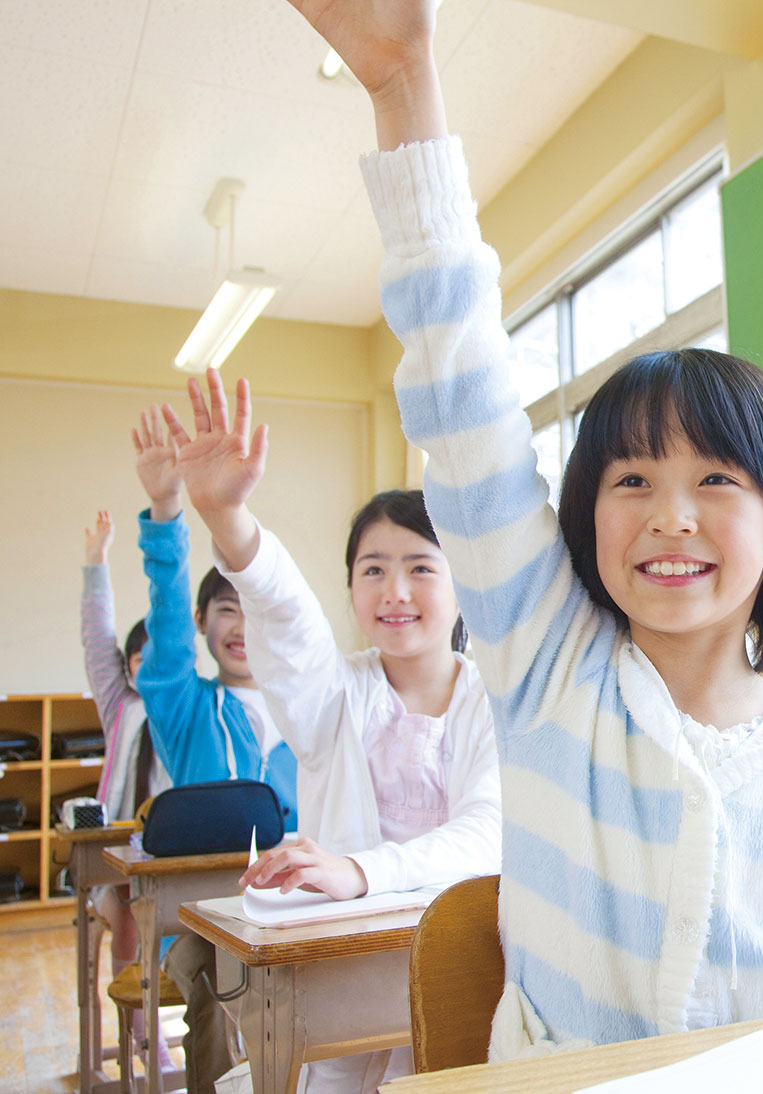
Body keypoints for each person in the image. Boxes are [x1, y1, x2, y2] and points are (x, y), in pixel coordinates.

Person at [279, 0, 763, 1063]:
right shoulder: (546, 668)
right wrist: (403, 84)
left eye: (717, 477)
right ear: (584, 517)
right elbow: (463, 394)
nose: (669, 513)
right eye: (630, 477)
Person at [159, 370, 502, 1092]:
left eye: (419, 567)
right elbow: (285, 615)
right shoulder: (333, 696)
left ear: (462, 584)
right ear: (350, 589)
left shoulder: (490, 701)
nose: (395, 591)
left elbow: (487, 833)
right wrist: (229, 520)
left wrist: (359, 873)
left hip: (465, 965)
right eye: (372, 570)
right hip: (339, 971)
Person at [130, 406, 299, 1094]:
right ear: (204, 623)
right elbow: (164, 626)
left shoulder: (307, 708)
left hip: (286, 916)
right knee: (217, 970)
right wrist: (167, 509)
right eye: (225, 609)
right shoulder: (183, 703)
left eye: (249, 608)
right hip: (198, 925)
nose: (240, 625)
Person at [81, 509, 173, 1074]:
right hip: (117, 860)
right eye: (138, 658)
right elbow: (97, 638)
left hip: (166, 859)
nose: (146, 667)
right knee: (132, 917)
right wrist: (95, 562)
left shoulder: (179, 713)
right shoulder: (122, 707)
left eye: (156, 659)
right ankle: (145, 1031)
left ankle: (170, 1019)